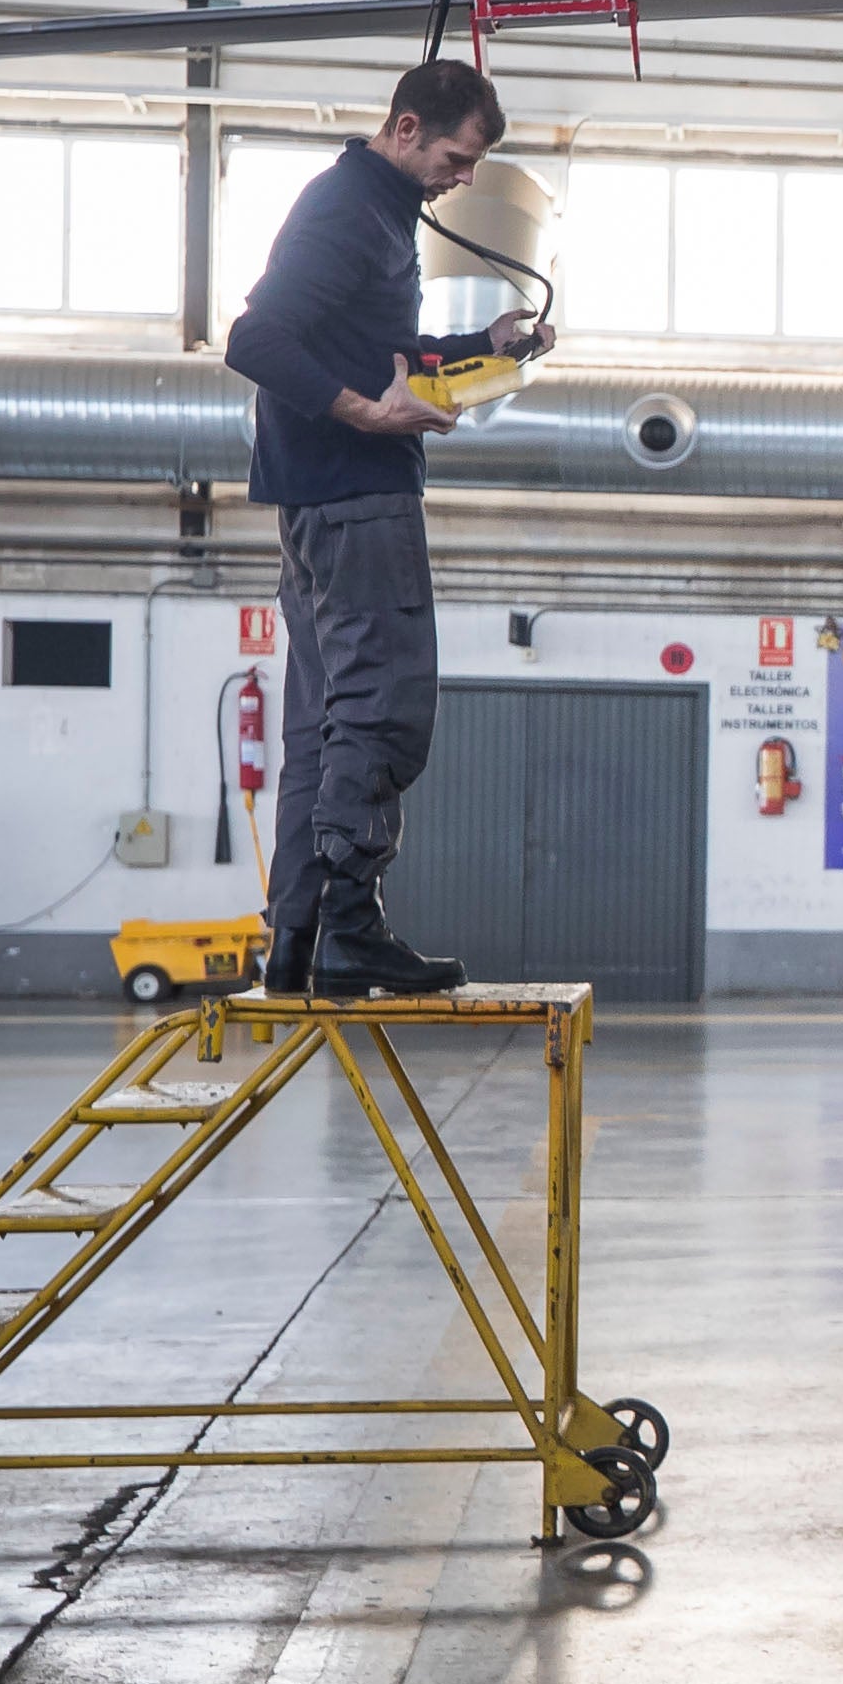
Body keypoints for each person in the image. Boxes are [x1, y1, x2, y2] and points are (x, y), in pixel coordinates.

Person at [220, 57, 554, 997]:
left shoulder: (377, 212)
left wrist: (484, 348)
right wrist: (364, 415)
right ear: (406, 128)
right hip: (356, 495)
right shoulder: (345, 207)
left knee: (322, 724)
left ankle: (294, 942)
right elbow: (255, 338)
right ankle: (351, 932)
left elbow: (374, 352)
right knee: (382, 708)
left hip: (321, 502)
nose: (465, 177)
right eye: (455, 155)